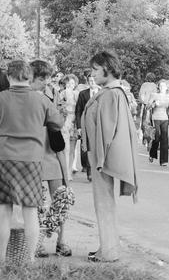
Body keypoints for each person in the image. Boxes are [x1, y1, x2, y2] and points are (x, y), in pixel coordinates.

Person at [0, 60, 63, 266]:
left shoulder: (1, 98)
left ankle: (1, 260)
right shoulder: (41, 100)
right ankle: (30, 259)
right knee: (30, 211)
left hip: (5, 159)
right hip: (32, 161)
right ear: (29, 77)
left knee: (4, 211)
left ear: (9, 77)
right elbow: (58, 123)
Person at [81, 50, 139, 262]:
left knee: (104, 203)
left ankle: (109, 251)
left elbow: (108, 130)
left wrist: (100, 160)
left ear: (107, 69)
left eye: (96, 69)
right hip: (100, 156)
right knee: (104, 202)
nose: (92, 74)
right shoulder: (113, 92)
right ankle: (106, 247)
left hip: (101, 158)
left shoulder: (110, 94)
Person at [30, 60, 73, 257]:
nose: (46, 82)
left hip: (53, 149)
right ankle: (37, 242)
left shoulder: (52, 93)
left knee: (61, 196)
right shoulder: (25, 96)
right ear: (31, 77)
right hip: (33, 152)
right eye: (41, 79)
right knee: (36, 201)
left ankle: (61, 240)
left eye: (48, 78)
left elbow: (58, 122)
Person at [75, 70, 100, 181]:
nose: (92, 82)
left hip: (99, 125)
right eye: (90, 80)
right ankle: (89, 172)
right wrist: (79, 127)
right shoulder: (83, 94)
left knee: (98, 148)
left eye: (94, 80)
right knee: (88, 148)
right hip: (86, 125)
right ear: (87, 81)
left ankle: (99, 171)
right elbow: (78, 111)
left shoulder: (102, 92)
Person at [147, 80, 169, 167]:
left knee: (164, 139)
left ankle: (164, 161)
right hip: (156, 118)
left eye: (164, 86)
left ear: (166, 87)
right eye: (160, 86)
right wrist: (154, 103)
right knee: (157, 138)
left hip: (165, 118)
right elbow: (148, 106)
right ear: (158, 87)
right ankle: (152, 154)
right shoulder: (154, 95)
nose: (162, 88)